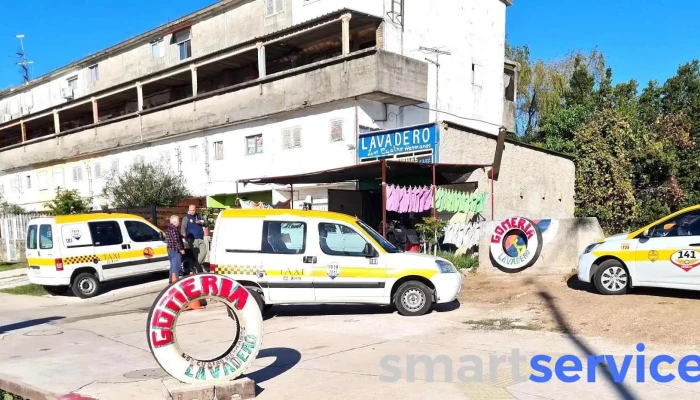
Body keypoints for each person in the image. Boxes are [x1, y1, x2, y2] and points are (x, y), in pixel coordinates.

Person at [181, 205, 209, 273]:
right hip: (192, 239)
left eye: (193, 210)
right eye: (190, 210)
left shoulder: (199, 216)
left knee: (204, 252)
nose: (192, 212)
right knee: (195, 254)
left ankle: (196, 265)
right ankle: (197, 267)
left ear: (195, 210)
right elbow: (183, 227)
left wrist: (201, 222)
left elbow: (206, 223)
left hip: (201, 238)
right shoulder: (186, 218)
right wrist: (184, 234)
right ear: (188, 210)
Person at [166, 215, 184, 284]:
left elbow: (173, 238)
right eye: (178, 221)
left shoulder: (169, 229)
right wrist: (181, 249)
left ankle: (171, 279)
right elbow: (176, 240)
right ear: (174, 222)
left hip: (170, 250)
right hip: (175, 250)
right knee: (176, 266)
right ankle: (175, 282)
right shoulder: (174, 230)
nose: (179, 223)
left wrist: (181, 236)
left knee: (172, 265)